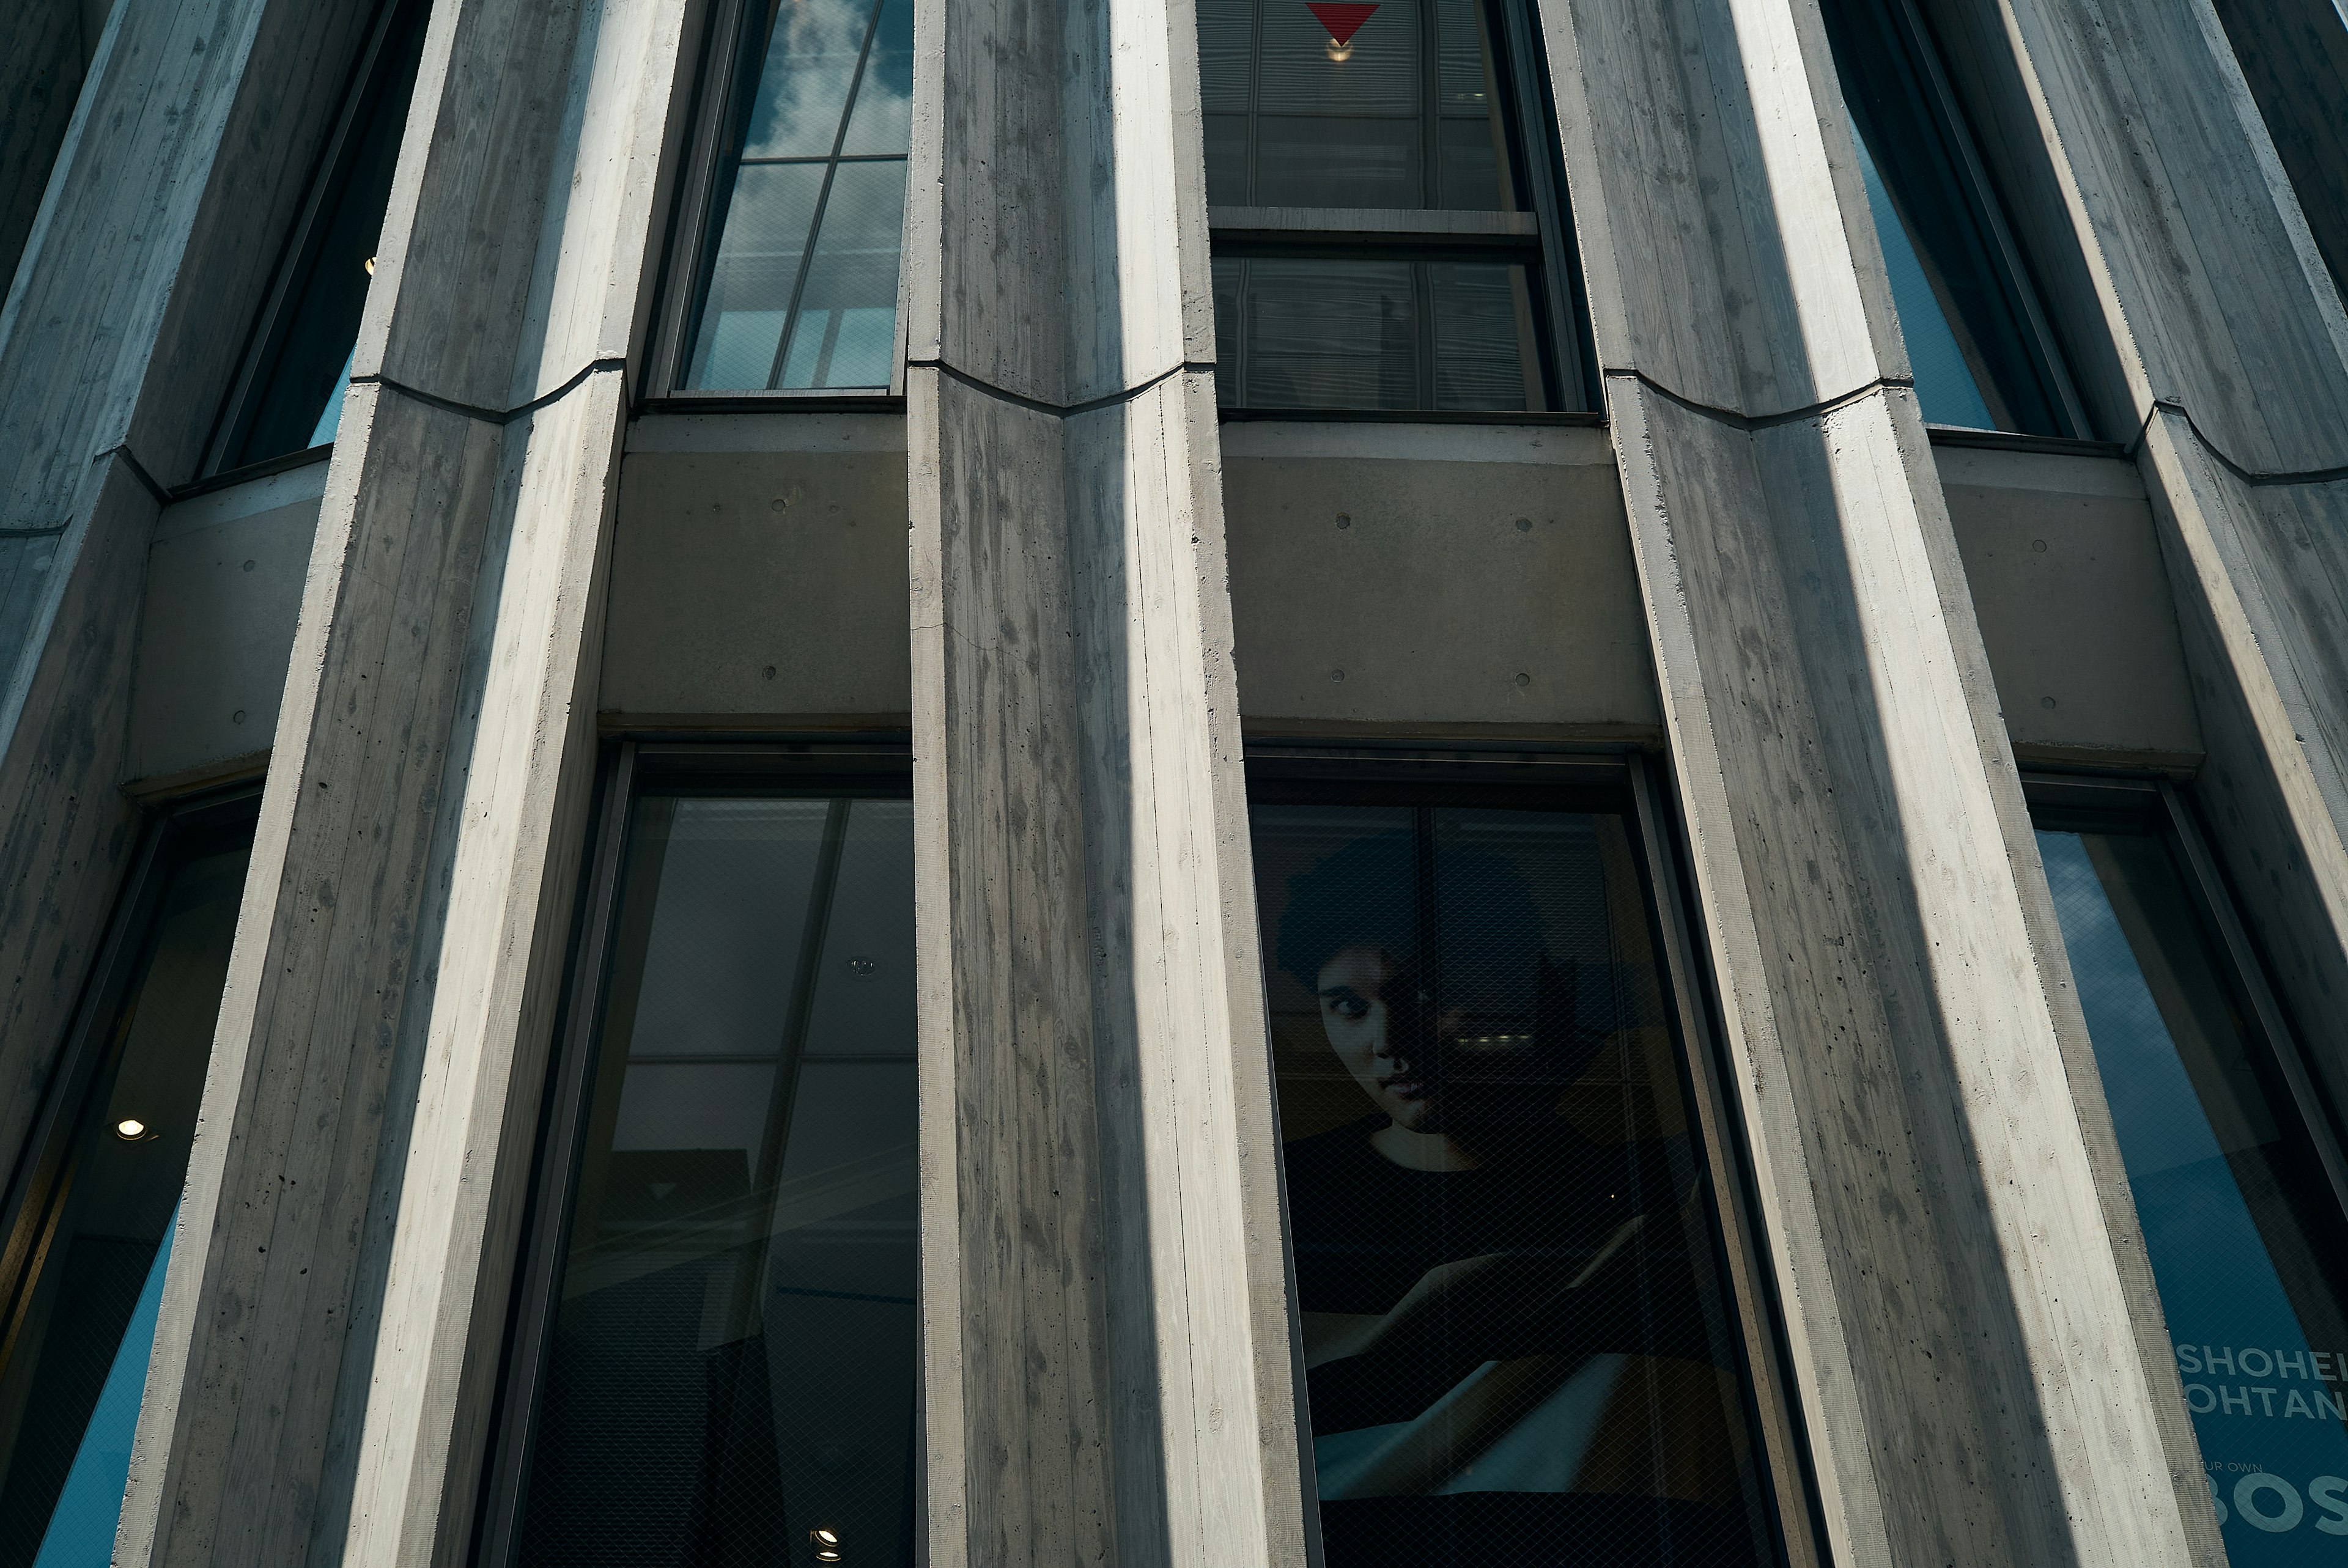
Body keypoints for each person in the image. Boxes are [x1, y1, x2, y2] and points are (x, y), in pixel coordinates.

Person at [1271, 827, 1761, 1566]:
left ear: (1526, 991)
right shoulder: (1277, 1203)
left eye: (1428, 994)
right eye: (1347, 1007)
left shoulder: (1660, 1196)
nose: (1391, 1040)